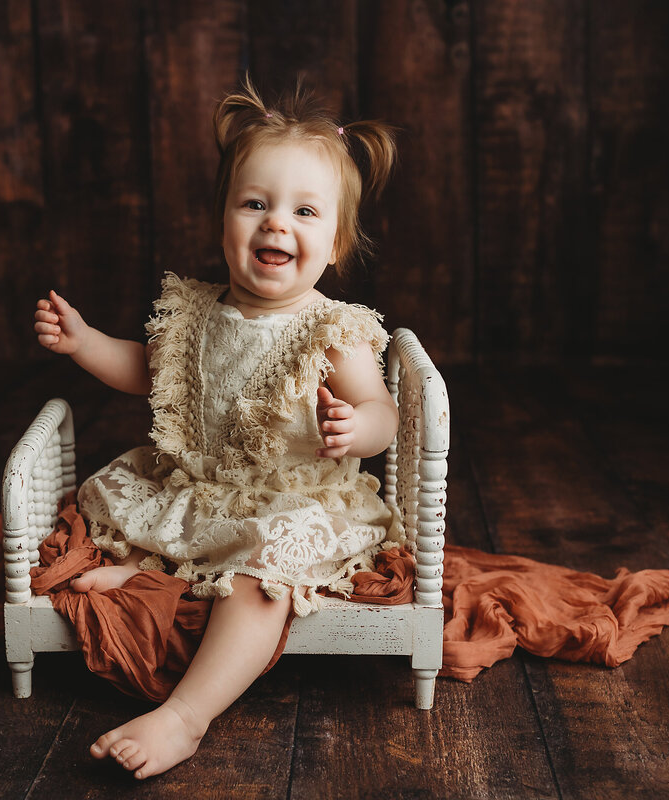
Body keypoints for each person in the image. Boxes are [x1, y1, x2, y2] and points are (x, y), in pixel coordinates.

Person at [32, 77, 398, 780]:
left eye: (304, 211)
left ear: (336, 241)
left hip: (296, 501)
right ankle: (158, 569)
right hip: (203, 485)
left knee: (267, 573)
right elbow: (147, 370)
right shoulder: (195, 313)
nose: (275, 225)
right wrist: (84, 344)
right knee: (119, 501)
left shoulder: (332, 329)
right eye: (254, 204)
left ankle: (185, 715)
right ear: (223, 218)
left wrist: (359, 427)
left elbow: (382, 411)